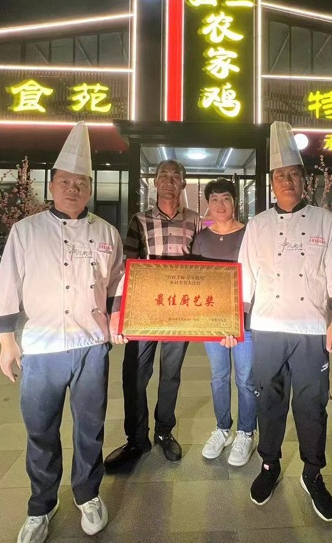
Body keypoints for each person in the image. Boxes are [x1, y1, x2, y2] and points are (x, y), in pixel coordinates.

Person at [0, 122, 123, 541]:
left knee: (90, 428)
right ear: (51, 186)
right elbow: (7, 285)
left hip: (91, 346)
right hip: (42, 346)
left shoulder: (106, 233)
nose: (72, 189)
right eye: (65, 182)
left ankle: (87, 494)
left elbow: (118, 285)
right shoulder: (26, 231)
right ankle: (41, 505)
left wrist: (119, 318)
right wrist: (6, 342)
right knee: (40, 430)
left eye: (80, 183)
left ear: (90, 189)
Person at [238, 121, 332, 522]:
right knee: (267, 400)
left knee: (312, 403)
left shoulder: (324, 220)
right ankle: (269, 465)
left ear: (304, 180)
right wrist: (236, 322)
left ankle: (312, 473)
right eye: (279, 176)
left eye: (293, 175)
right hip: (267, 327)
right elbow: (245, 277)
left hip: (311, 329)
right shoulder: (258, 225)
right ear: (271, 183)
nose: (286, 182)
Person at [104, 160, 201, 470]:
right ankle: (136, 439)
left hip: (180, 312)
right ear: (155, 183)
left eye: (175, 176)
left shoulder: (196, 221)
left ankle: (163, 431)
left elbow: (204, 268)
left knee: (171, 374)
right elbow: (126, 269)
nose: (169, 181)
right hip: (144, 310)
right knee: (134, 374)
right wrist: (118, 314)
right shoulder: (140, 220)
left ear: (183, 183)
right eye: (163, 176)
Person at [191, 178, 256, 466]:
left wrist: (236, 317)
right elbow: (196, 279)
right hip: (211, 320)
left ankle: (246, 432)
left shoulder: (250, 234)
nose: (220, 204)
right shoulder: (201, 237)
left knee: (245, 378)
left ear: (235, 202)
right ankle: (222, 428)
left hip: (244, 320)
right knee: (218, 376)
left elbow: (257, 275)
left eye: (226, 198)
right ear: (208, 204)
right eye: (214, 199)